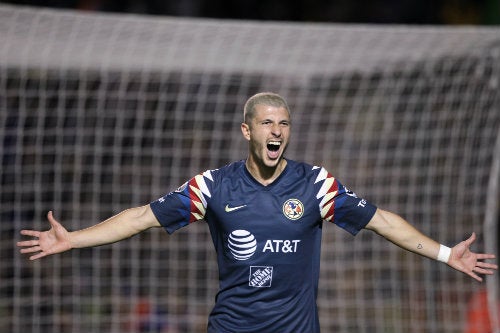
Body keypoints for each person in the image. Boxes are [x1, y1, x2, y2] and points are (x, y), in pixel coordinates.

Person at [18, 92, 498, 333]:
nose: (277, 130)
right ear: (246, 131)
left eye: (284, 123)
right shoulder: (213, 186)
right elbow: (141, 216)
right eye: (267, 122)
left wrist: (443, 253)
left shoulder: (315, 184)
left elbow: (383, 220)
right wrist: (73, 238)